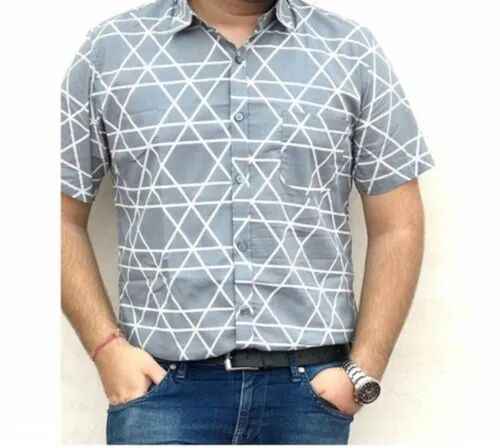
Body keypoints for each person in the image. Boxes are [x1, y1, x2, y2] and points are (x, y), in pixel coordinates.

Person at [60, 0, 435, 444]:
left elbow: (398, 225)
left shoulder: (351, 51)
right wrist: (106, 350)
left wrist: (363, 371)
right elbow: (57, 216)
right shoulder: (111, 50)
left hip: (307, 394)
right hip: (160, 393)